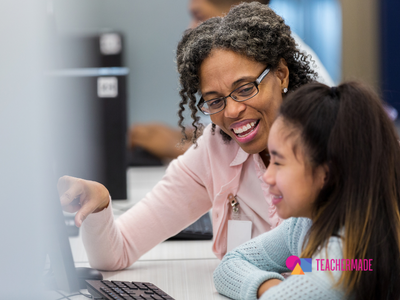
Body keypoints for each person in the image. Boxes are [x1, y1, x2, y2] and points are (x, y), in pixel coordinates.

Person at [58, 2, 317, 270]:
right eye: (214, 101)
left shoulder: (329, 144)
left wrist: (256, 281)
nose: (232, 111)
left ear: (282, 74)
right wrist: (99, 204)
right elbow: (115, 253)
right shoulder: (216, 148)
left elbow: (358, 265)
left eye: (245, 88)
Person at [213, 81, 400, 300]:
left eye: (280, 163)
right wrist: (289, 276)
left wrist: (289, 284)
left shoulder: (338, 269)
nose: (267, 176)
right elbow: (230, 264)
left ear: (326, 174)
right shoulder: (305, 224)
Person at [129, 0, 334, 160]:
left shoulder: (290, 68)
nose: (190, 28)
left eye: (198, 15)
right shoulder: (232, 71)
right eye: (215, 100)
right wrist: (175, 138)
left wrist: (173, 146)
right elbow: (220, 133)